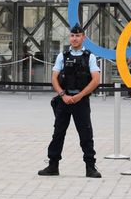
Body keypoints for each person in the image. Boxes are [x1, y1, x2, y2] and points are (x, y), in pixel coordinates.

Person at [38, 24, 101, 178]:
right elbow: (54, 77)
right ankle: (53, 166)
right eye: (72, 35)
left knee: (86, 134)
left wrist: (80, 96)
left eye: (78, 36)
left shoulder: (89, 57)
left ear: (83, 38)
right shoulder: (63, 56)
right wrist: (62, 95)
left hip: (81, 101)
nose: (74, 38)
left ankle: (90, 167)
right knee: (58, 134)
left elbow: (96, 80)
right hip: (64, 101)